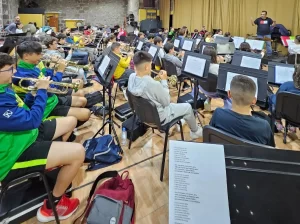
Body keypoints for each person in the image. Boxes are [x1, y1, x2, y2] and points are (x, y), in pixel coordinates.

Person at [0, 53, 84, 222]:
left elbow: (25, 111)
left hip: (27, 136)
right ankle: (53, 206)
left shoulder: (5, 88)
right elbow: (32, 120)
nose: (14, 71)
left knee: (70, 122)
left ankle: (53, 162)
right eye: (10, 69)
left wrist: (32, 95)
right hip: (13, 155)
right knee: (79, 152)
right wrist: (42, 91)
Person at [128, 51, 203, 140]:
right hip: (159, 119)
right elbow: (166, 102)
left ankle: (181, 120)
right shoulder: (153, 84)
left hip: (142, 115)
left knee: (176, 106)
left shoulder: (131, 77)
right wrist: (163, 81)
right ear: (146, 67)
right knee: (187, 107)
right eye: (150, 64)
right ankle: (195, 131)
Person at [12, 41, 90, 124]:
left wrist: (52, 67)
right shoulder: (22, 75)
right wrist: (60, 71)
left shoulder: (33, 65)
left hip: (51, 99)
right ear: (26, 56)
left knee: (83, 101)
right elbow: (51, 89)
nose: (41, 55)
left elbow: (47, 78)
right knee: (86, 113)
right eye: (38, 53)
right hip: (45, 107)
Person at [210, 75, 275, 146]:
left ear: (229, 94)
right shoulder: (264, 126)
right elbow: (270, 151)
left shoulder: (218, 114)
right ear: (254, 101)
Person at [269, 65, 300, 132]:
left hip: (286, 114)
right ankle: (292, 125)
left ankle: (278, 121)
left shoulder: (286, 85)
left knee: (272, 98)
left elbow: (276, 102)